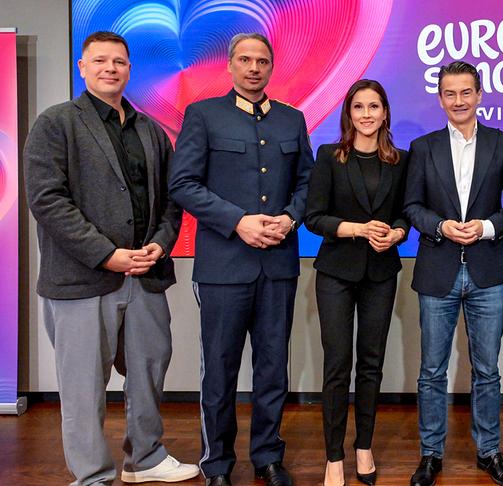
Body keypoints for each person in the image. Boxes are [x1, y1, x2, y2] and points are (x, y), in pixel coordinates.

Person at [23, 31, 198, 485]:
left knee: (149, 371)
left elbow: (172, 201)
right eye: (100, 60)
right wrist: (106, 254)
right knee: (83, 385)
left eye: (119, 61)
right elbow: (47, 200)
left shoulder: (150, 130)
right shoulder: (56, 123)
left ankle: (146, 458)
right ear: (82, 67)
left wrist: (161, 242)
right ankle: (92, 476)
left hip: (146, 274)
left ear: (129, 69)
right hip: (82, 279)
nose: (110, 68)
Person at [168, 32, 314, 486]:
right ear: (230, 65)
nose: (254, 68)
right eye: (245, 60)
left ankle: (268, 456)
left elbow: (308, 183)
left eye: (262, 61)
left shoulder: (292, 119)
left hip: (278, 264)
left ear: (272, 67)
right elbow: (183, 184)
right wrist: (238, 222)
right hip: (223, 266)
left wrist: (290, 218)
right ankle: (216, 464)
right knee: (219, 368)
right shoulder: (203, 115)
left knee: (272, 368)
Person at [404, 61, 503, 486]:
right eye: (450, 93)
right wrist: (440, 226)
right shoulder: (422, 147)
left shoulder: (502, 143)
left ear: (479, 95)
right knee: (431, 370)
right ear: (440, 99)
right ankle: (430, 454)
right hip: (437, 269)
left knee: (487, 370)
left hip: (487, 269)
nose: (458, 101)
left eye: (466, 92)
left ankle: (489, 451)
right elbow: (411, 206)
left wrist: (487, 227)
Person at [305, 79, 409, 486]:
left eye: (374, 106)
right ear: (348, 113)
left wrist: (397, 233)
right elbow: (314, 217)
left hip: (381, 273)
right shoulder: (329, 156)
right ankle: (333, 456)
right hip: (336, 272)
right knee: (337, 365)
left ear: (385, 113)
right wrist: (357, 229)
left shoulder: (400, 160)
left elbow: (405, 213)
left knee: (371, 363)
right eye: (359, 107)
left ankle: (363, 446)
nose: (366, 114)